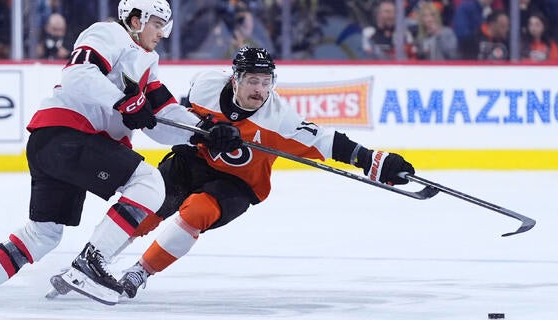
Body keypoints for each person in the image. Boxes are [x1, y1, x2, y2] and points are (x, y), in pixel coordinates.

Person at [0, 0, 241, 309]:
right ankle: (90, 263)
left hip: (56, 146)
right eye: (157, 24)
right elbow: (78, 74)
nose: (162, 33)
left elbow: (161, 117)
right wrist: (125, 102)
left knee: (43, 234)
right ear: (136, 20)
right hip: (67, 136)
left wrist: (203, 131)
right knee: (150, 182)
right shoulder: (109, 33)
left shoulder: (147, 62)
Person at [48, 46, 416, 304]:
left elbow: (326, 141)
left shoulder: (280, 118)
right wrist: (206, 126)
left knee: (195, 213)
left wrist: (376, 161)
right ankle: (90, 264)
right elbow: (179, 116)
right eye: (253, 81)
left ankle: (139, 274)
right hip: (195, 158)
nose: (260, 90)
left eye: (266, 82)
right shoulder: (207, 83)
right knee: (148, 204)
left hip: (238, 183)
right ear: (234, 78)